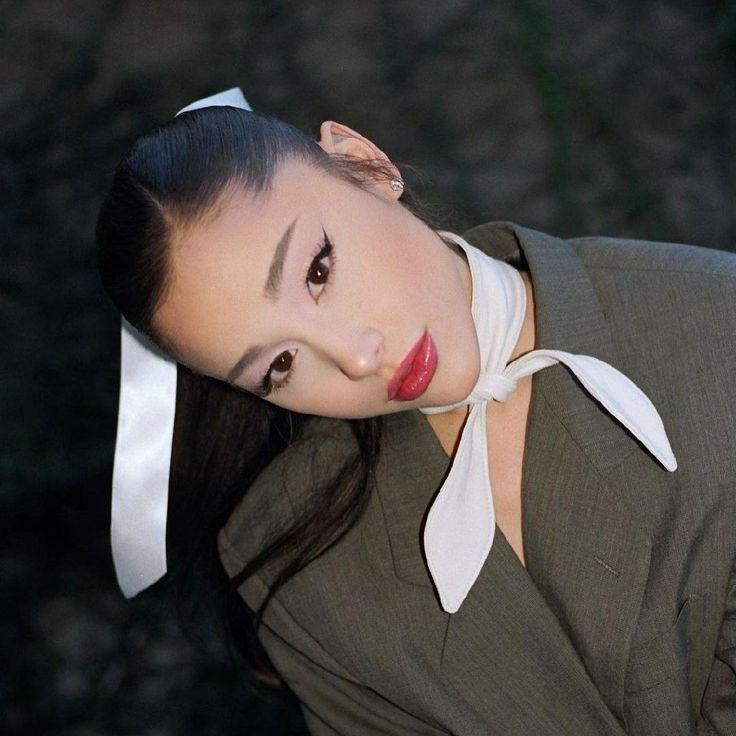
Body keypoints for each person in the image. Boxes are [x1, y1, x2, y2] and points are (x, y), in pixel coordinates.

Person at [95, 90, 736, 735]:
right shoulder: (296, 566)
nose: (357, 357)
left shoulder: (713, 322)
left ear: (366, 165)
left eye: (319, 271)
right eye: (279, 366)